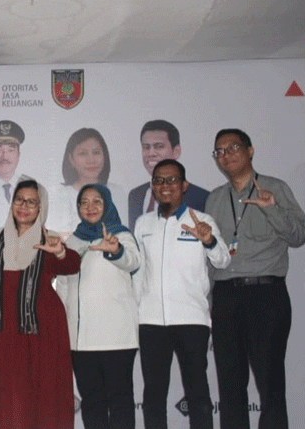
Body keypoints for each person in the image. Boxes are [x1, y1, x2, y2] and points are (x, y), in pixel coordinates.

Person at [206, 129, 305, 429]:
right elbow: (210, 254)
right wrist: (210, 302)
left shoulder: (275, 188)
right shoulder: (215, 198)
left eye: (233, 147)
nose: (226, 155)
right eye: (219, 151)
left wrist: (272, 209)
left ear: (250, 151)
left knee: (270, 384)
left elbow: (299, 235)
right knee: (230, 387)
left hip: (266, 296)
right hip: (225, 297)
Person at [0, 179, 79, 429]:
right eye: (19, 200)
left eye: (32, 202)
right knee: (5, 401)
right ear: (12, 203)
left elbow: (72, 265)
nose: (24, 206)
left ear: (41, 208)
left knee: (39, 399)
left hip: (41, 329)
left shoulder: (49, 239)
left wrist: (59, 251)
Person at [133, 159, 231, 429]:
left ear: (185, 185)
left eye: (172, 180)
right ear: (153, 186)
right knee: (153, 397)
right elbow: (139, 273)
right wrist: (136, 313)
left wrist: (209, 240)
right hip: (151, 322)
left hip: (191, 321)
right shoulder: (143, 224)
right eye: (158, 180)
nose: (165, 186)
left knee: (198, 395)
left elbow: (223, 260)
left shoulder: (203, 221)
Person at [56, 183, 141, 429]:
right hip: (81, 341)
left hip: (116, 338)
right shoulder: (74, 240)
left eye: (97, 201)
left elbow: (133, 262)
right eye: (84, 202)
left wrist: (116, 250)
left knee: (120, 400)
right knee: (92, 402)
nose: (90, 207)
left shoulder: (121, 235)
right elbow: (63, 285)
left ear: (107, 204)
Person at [127, 120, 209, 229]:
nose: (151, 153)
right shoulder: (136, 195)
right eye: (146, 147)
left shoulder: (202, 197)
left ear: (176, 151)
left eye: (159, 146)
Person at [47, 127, 124, 238]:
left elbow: (123, 235)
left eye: (96, 152)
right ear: (71, 159)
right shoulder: (60, 195)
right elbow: (59, 238)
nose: (91, 160)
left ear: (104, 156)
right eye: (83, 153)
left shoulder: (117, 192)